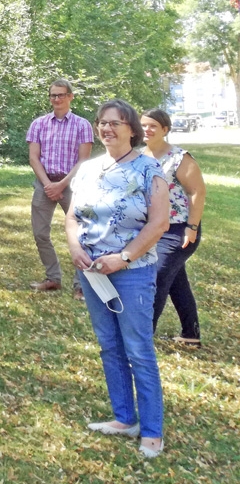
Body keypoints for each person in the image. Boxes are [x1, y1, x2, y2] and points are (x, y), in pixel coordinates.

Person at [65, 99, 169, 458]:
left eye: (115, 123)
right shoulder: (88, 169)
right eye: (102, 123)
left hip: (132, 273)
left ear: (131, 129)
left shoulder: (148, 168)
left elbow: (160, 223)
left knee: (138, 350)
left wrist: (123, 257)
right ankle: (125, 418)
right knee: (109, 345)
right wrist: (75, 247)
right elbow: (73, 216)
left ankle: (152, 431)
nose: (107, 128)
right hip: (92, 273)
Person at [141, 109, 206, 347]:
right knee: (177, 282)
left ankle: (143, 338)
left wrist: (192, 227)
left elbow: (197, 192)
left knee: (156, 277)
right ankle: (191, 334)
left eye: (153, 126)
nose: (147, 130)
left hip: (178, 231)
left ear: (165, 130)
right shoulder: (139, 157)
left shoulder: (178, 158)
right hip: (153, 229)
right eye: (144, 125)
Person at [27, 79, 95, 298]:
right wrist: (48, 185)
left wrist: (61, 185)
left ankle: (81, 285)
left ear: (70, 97)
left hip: (72, 185)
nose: (57, 99)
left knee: (81, 234)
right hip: (44, 184)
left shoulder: (82, 125)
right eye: (53, 95)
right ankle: (53, 278)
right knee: (40, 233)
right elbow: (33, 158)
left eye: (61, 95)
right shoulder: (38, 124)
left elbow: (83, 160)